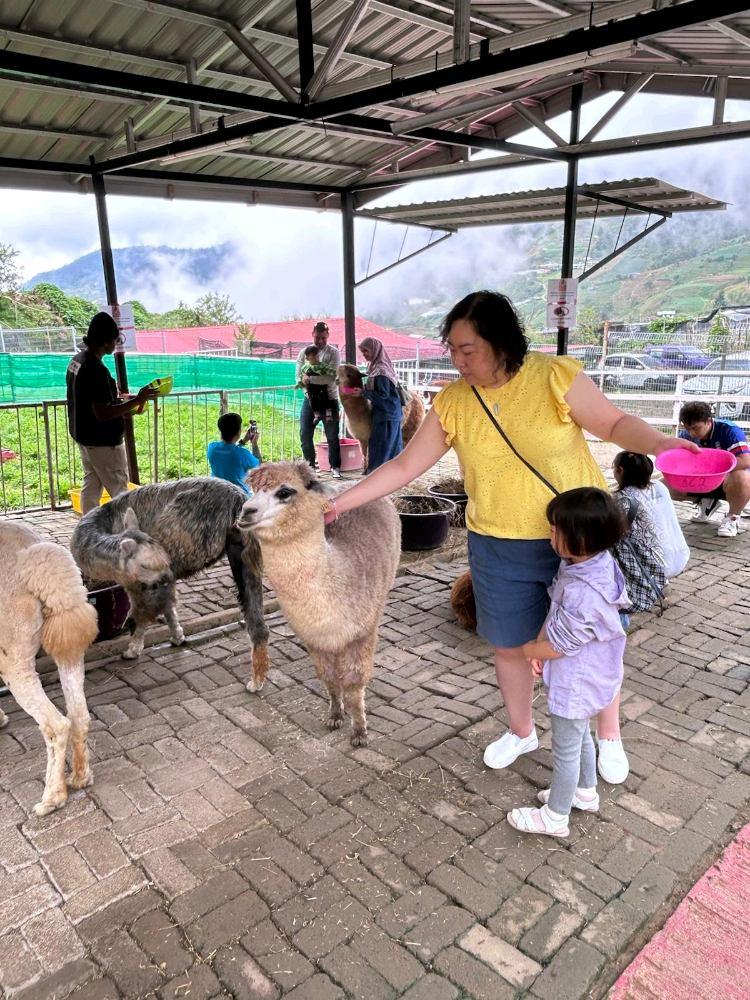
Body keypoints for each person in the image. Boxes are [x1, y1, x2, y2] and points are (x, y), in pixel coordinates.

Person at [323, 291, 699, 785]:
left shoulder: (554, 376)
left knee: (596, 637)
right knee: (509, 645)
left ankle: (609, 734)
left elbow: (613, 423)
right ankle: (522, 731)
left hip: (576, 540)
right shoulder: (454, 401)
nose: (457, 360)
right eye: (452, 349)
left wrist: (660, 442)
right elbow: (404, 465)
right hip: (498, 542)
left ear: (501, 343)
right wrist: (340, 502)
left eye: (468, 349)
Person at [507, 488, 629, 837]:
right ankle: (585, 792)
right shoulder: (589, 563)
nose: (549, 533)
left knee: (565, 750)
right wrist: (541, 645)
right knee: (581, 734)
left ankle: (555, 816)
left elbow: (562, 645)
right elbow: (557, 613)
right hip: (590, 675)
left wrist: (529, 650)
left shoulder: (584, 592)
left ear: (579, 539)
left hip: (577, 680)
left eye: (554, 529)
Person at [66, 312, 158, 514]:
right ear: (106, 342)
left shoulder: (77, 360)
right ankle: (127, 529)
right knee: (120, 490)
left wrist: (126, 403)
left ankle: (87, 526)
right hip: (103, 443)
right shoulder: (95, 370)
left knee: (91, 485)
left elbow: (90, 400)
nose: (116, 344)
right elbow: (103, 413)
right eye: (115, 340)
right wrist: (137, 400)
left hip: (84, 436)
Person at [675, 401, 750, 538]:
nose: (691, 433)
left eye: (695, 428)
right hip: (701, 481)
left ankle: (732, 518)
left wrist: (713, 469)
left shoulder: (729, 431)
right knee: (664, 485)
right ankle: (706, 503)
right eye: (687, 428)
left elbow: (745, 461)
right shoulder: (685, 436)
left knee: (743, 477)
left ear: (709, 421)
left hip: (727, 481)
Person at [612, 451, 689, 579]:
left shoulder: (623, 497)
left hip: (656, 568)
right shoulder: (659, 486)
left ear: (620, 470)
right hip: (681, 557)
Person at [295, 321, 342, 479]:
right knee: (305, 434)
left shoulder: (334, 353)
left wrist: (309, 379)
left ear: (328, 336)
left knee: (332, 435)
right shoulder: (304, 352)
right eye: (317, 337)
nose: (320, 341)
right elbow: (298, 376)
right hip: (309, 399)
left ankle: (335, 467)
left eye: (323, 338)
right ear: (312, 335)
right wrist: (304, 385)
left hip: (329, 399)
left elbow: (331, 377)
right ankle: (310, 467)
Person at [356, 337, 403, 471]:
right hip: (385, 414)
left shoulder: (381, 371)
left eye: (366, 351)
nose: (364, 354)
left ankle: (379, 476)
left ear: (375, 350)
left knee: (383, 450)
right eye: (363, 352)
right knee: (388, 448)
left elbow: (383, 396)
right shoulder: (375, 367)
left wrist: (363, 393)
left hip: (387, 415)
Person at [207, 413, 262, 493]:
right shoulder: (243, 454)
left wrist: (243, 441)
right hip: (238, 496)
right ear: (239, 432)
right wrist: (254, 444)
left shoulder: (212, 447)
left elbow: (229, 452)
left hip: (217, 492)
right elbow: (260, 465)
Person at [297, 346, 338, 423]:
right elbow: (300, 375)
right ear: (307, 358)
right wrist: (301, 381)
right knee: (313, 401)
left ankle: (328, 415)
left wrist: (337, 374)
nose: (317, 357)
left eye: (317, 355)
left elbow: (331, 371)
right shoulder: (305, 367)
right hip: (311, 389)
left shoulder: (322, 365)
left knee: (325, 398)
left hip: (323, 388)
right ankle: (316, 415)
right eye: (314, 356)